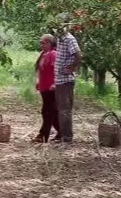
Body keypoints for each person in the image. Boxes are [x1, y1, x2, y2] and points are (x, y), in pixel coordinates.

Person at [53, 13, 82, 144]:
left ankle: (67, 138)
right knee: (61, 109)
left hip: (65, 81)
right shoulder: (60, 39)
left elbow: (78, 56)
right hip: (59, 80)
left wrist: (70, 68)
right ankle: (63, 136)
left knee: (65, 110)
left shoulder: (70, 39)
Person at [32, 34, 60, 143]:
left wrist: (55, 83)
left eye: (43, 42)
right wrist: (39, 81)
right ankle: (61, 132)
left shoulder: (53, 54)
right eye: (41, 42)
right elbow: (40, 70)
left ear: (49, 43)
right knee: (52, 112)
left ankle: (43, 135)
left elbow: (57, 70)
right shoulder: (43, 54)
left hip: (51, 88)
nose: (41, 45)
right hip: (44, 87)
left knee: (47, 111)